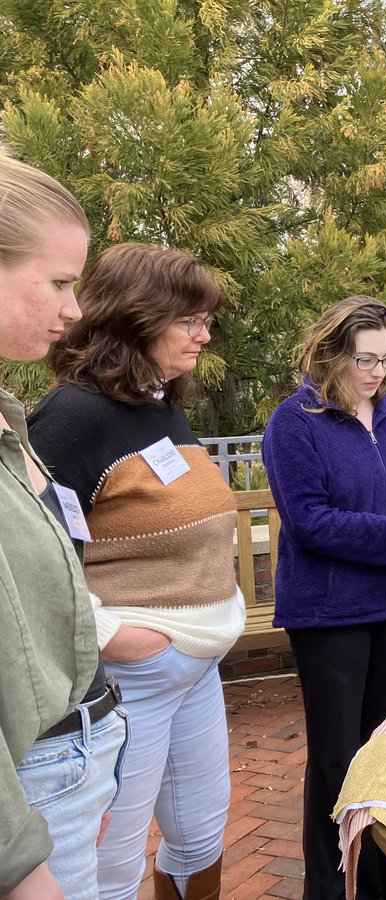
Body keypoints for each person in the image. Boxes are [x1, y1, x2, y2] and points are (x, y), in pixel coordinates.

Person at [29, 244, 246, 900]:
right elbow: (34, 557)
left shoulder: (161, 406)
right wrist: (111, 637)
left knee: (201, 837)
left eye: (206, 320)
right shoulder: (72, 417)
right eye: (190, 321)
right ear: (136, 318)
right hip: (134, 681)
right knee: (112, 866)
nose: (204, 335)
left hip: (196, 670)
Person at [263, 296, 386, 900]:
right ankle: (337, 889)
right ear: (331, 353)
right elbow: (311, 522)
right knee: (339, 760)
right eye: (364, 359)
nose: (377, 372)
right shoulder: (294, 422)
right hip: (329, 612)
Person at [0, 155, 127, 900]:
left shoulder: (11, 420)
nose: (75, 309)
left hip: (72, 757)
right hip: (32, 781)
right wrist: (17, 859)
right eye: (57, 282)